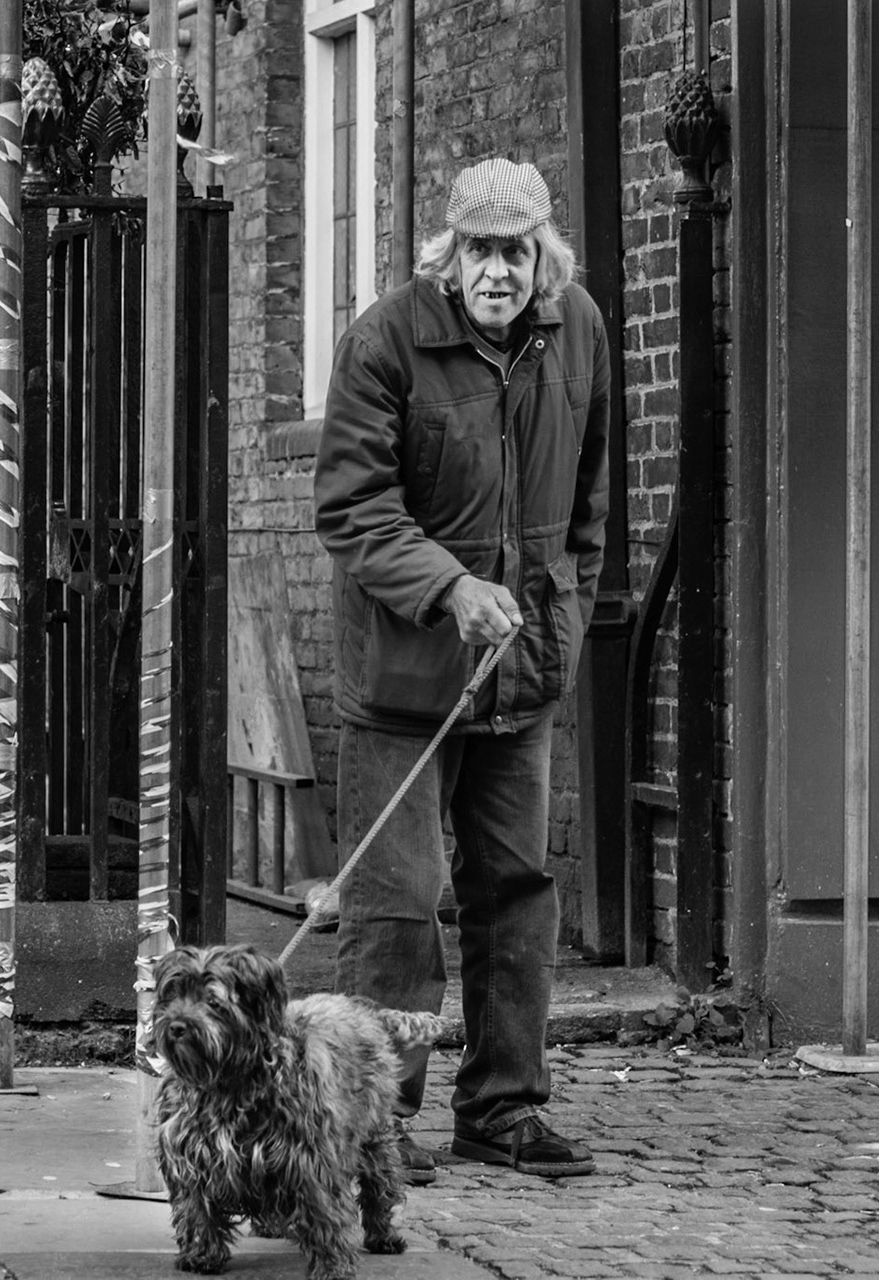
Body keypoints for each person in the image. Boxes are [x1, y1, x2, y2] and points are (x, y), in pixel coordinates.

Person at [313, 158, 610, 1181]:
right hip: (403, 681)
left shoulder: (581, 334)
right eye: (478, 250)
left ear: (543, 256)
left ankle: (503, 1104)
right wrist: (450, 589)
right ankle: (375, 1120)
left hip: (521, 674)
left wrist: (558, 611)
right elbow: (355, 509)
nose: (497, 270)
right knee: (399, 903)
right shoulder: (384, 340)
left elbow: (589, 509)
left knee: (516, 890)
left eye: (514, 251)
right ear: (449, 255)